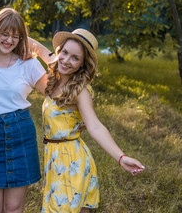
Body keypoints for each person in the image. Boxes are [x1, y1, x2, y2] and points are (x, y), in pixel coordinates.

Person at [41, 29, 145, 213]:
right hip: (54, 158)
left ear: (82, 64)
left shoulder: (80, 91)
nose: (66, 60)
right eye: (64, 52)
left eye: (75, 58)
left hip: (71, 161)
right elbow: (33, 45)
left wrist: (121, 157)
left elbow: (95, 126)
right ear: (58, 51)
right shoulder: (56, 75)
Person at [0, 8, 48, 213]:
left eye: (16, 36)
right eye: (4, 34)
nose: (9, 40)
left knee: (13, 207)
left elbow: (56, 94)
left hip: (20, 131)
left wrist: (37, 48)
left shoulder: (29, 64)